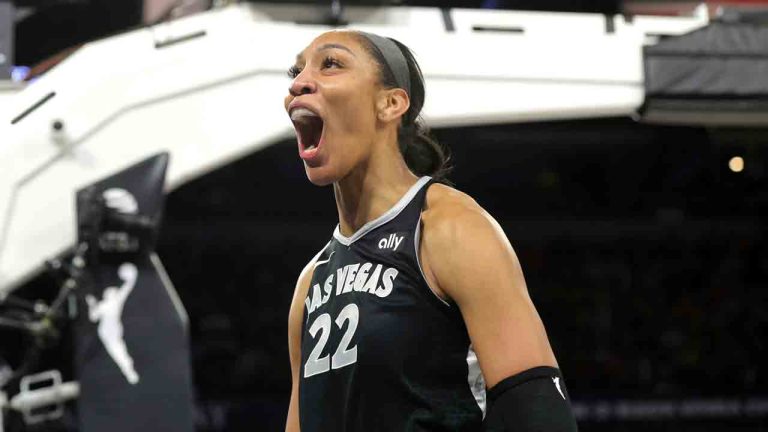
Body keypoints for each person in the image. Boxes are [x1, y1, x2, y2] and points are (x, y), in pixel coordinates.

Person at [284, 29, 577, 431]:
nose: (298, 83)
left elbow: (537, 409)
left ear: (390, 103)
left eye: (330, 64)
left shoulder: (448, 227)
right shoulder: (311, 282)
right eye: (295, 71)